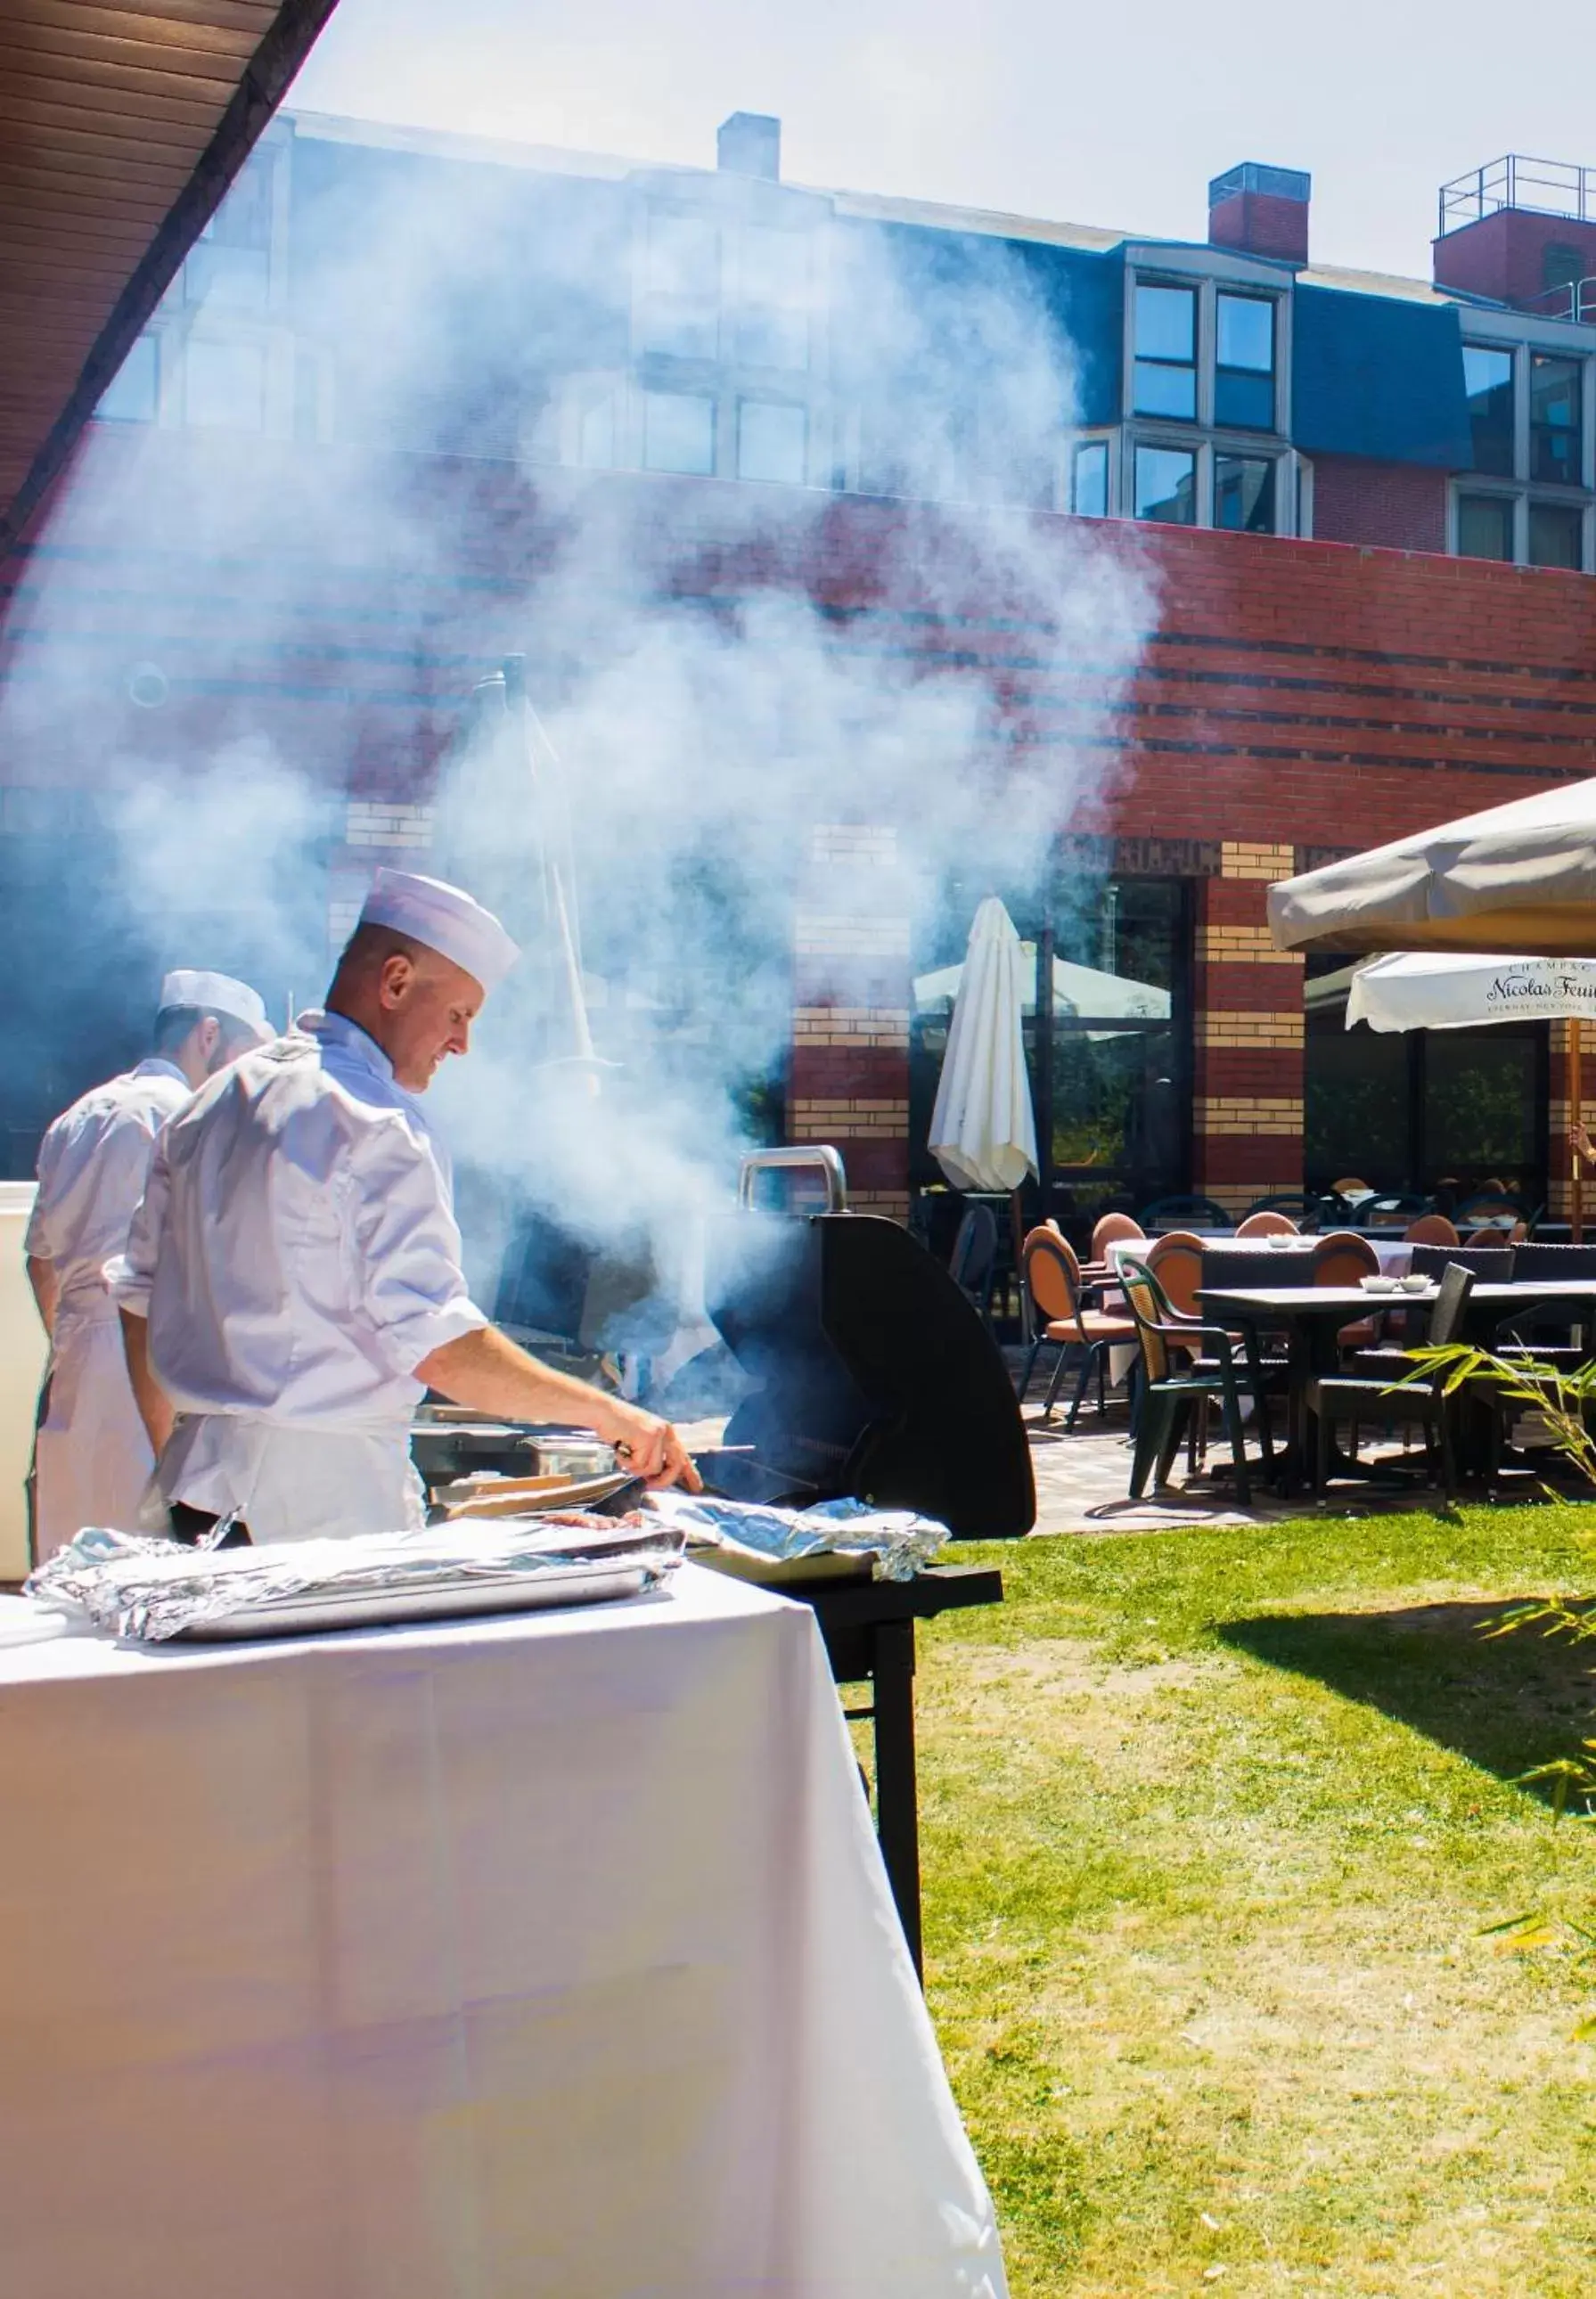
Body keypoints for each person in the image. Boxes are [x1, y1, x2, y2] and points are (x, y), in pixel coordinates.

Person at [110, 869, 700, 1545]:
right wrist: (613, 1416)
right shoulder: (377, 1122)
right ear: (394, 982)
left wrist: (170, 1454)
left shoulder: (206, 1105)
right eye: (459, 1014)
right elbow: (439, 1347)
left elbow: (137, 1303)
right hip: (318, 1515)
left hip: (187, 1493)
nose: (462, 1044)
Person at [24, 970, 271, 1561]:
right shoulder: (193, 1117)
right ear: (208, 1036)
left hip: (73, 1362)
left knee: (70, 1557)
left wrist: (72, 1347)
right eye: (242, 1058)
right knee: (147, 1571)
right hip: (153, 1363)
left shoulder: (75, 1117)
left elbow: (40, 1265)